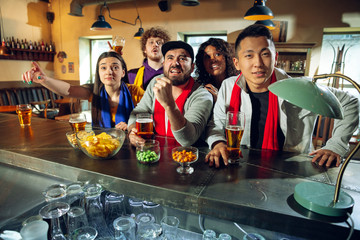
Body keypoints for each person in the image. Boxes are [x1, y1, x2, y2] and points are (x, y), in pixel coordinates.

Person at [205, 24, 359, 168]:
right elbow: (216, 124)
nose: (258, 63)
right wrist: (218, 143)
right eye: (249, 56)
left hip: (290, 169)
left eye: (265, 54)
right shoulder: (228, 86)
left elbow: (351, 101)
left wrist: (336, 146)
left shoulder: (299, 88)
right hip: (242, 166)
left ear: (275, 58)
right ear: (237, 63)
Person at [22, 51, 144, 130]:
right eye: (103, 68)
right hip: (102, 144)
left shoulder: (135, 91)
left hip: (130, 144)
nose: (109, 71)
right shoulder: (94, 91)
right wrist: (44, 79)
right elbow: (67, 90)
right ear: (98, 72)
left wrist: (132, 126)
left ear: (123, 72)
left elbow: (153, 117)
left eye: (115, 67)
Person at [127, 41, 214, 147]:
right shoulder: (156, 82)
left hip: (188, 157)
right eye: (170, 58)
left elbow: (187, 139)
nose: (175, 63)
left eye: (182, 59)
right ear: (163, 64)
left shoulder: (202, 95)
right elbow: (137, 113)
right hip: (156, 153)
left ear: (192, 67)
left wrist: (169, 105)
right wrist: (132, 131)